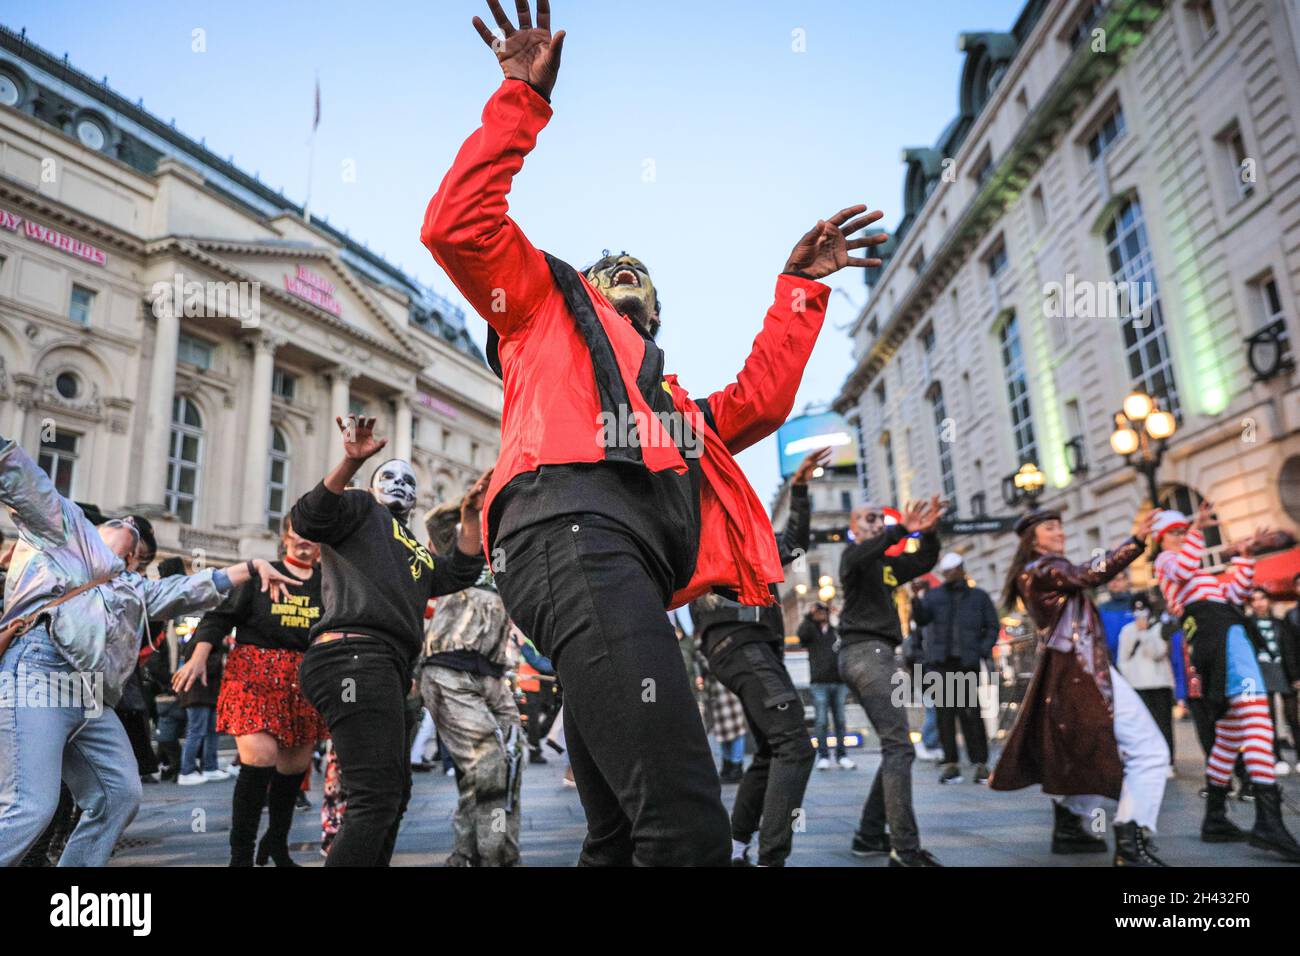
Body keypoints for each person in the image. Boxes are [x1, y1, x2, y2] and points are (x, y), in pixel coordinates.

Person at [421, 0, 887, 866]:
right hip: (572, 534)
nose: (625, 279)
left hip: (608, 558)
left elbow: (759, 402)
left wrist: (797, 287)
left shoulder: (665, 413)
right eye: (613, 278)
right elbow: (455, 227)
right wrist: (521, 97)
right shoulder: (539, 304)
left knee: (624, 830)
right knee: (685, 822)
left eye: (641, 283)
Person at [0, 434, 296, 866]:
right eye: (128, 525)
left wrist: (249, 567)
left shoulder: (133, 589)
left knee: (119, 795)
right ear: (101, 527)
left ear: (138, 562)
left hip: (92, 695)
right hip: (41, 672)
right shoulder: (65, 531)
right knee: (30, 805)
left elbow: (187, 590)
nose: (133, 535)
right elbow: (25, 475)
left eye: (140, 548)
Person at [290, 416, 488, 867]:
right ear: (375, 487)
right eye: (389, 477)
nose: (399, 484)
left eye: (408, 481)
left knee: (393, 796)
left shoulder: (414, 549)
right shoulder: (361, 511)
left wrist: (471, 518)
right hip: (353, 658)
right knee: (374, 798)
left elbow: (458, 571)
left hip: (383, 666)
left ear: (417, 498)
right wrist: (350, 463)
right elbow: (308, 517)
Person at [992, 507, 1169, 866]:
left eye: (1060, 525)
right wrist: (1134, 542)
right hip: (1084, 671)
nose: (1059, 531)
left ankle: (1071, 824)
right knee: (1150, 752)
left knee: (1089, 750)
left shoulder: (1040, 571)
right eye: (1049, 527)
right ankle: (1131, 842)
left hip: (1077, 671)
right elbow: (1090, 573)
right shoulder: (1045, 568)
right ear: (1032, 538)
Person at [689, 447, 824, 867]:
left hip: (751, 646)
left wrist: (798, 489)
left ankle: (735, 844)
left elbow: (793, 545)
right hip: (740, 642)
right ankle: (771, 857)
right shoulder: (703, 525)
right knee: (794, 745)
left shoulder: (751, 538)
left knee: (770, 749)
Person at [172, 517, 328, 866]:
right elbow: (218, 617)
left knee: (293, 769)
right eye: (298, 532)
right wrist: (199, 656)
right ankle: (240, 856)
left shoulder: (326, 583)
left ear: (320, 544)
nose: (304, 540)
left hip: (303, 680)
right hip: (254, 675)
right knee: (259, 759)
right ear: (285, 536)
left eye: (311, 534)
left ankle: (276, 843)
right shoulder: (262, 573)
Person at [1152, 504, 1300, 861]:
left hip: (1223, 637)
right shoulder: (1166, 562)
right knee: (1259, 723)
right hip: (1223, 642)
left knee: (1232, 731)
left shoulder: (1194, 573)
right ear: (1161, 539)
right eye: (1174, 532)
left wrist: (1245, 558)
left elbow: (1235, 595)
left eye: (1182, 531)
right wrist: (1197, 531)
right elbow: (1187, 564)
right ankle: (1269, 821)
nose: (1181, 536)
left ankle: (1215, 817)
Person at [838, 496, 944, 867]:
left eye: (879, 519)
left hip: (876, 654)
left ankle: (869, 836)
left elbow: (922, 561)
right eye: (867, 519)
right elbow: (864, 555)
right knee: (899, 747)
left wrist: (928, 534)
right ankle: (905, 850)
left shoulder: (883, 565)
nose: (875, 524)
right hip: (867, 653)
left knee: (894, 747)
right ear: (853, 528)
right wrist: (902, 529)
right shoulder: (852, 557)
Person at [418, 498, 523, 868]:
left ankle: (467, 854)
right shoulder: (461, 546)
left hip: (493, 673)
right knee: (490, 762)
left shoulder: (511, 549)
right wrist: (474, 505)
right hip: (449, 666)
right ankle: (496, 858)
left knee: (504, 765)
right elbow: (436, 522)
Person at [912, 551, 997, 785]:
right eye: (946, 572)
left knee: (971, 714)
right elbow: (921, 620)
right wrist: (916, 598)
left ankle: (980, 762)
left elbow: (992, 625)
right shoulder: (934, 596)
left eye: (953, 571)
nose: (949, 575)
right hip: (942, 665)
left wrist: (982, 649)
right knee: (945, 715)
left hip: (967, 664)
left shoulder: (978, 597)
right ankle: (951, 763)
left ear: (961, 570)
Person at [1115, 599, 1177, 776]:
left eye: (1143, 612)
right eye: (1136, 611)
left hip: (1159, 683)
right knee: (1142, 726)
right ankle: (1145, 760)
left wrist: (1144, 634)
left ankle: (1168, 762)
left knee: (1164, 724)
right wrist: (1129, 679)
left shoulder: (1158, 629)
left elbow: (1157, 652)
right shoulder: (1127, 630)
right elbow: (1122, 658)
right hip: (1138, 685)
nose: (1140, 616)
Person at [1246, 587, 1300, 776]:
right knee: (1268, 719)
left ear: (1268, 600)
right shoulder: (1247, 625)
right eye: (1255, 599)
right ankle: (1276, 757)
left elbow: (1291, 650)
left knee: (1293, 717)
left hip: (1284, 672)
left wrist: (1296, 676)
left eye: (1262, 598)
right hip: (1261, 675)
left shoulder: (1280, 623)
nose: (1259, 603)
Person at [798, 602, 855, 770]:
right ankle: (823, 755)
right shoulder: (811, 632)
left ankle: (842, 755)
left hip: (839, 682)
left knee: (840, 720)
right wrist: (809, 616)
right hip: (819, 682)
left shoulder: (835, 631)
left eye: (824, 611)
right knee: (821, 721)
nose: (821, 614)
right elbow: (801, 635)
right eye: (818, 612)